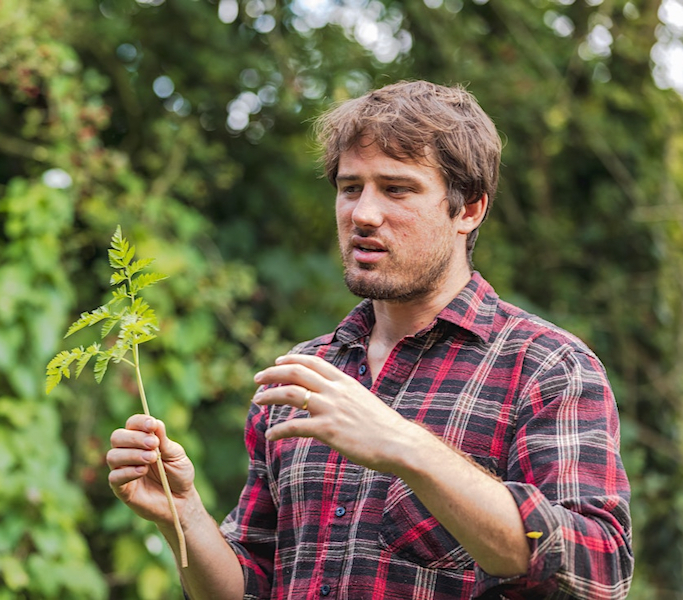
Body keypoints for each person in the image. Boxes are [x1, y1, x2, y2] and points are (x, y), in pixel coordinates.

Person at [106, 80, 633, 599]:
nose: (362, 214)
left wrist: (405, 447)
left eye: (397, 188)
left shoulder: (545, 367)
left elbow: (600, 573)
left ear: (468, 210)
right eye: (350, 187)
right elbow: (251, 584)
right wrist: (185, 514)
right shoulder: (305, 372)